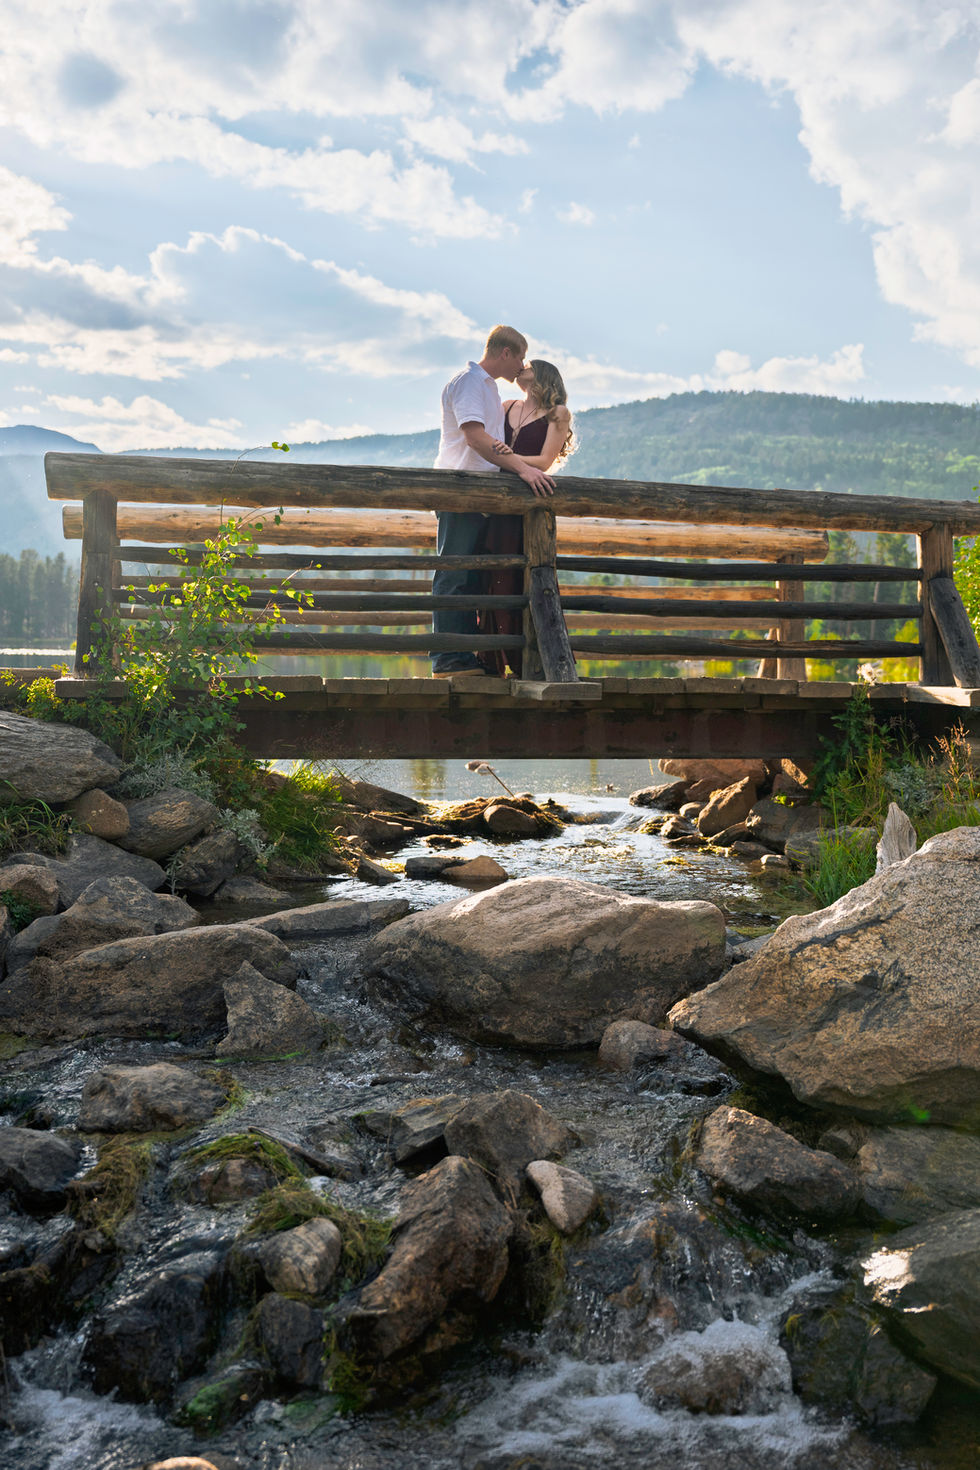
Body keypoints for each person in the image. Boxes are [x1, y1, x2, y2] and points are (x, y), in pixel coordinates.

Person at [431, 325, 555, 678]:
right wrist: (523, 469)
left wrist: (510, 460)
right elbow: (475, 437)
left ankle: (464, 657)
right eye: (520, 356)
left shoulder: (487, 389)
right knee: (453, 573)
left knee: (467, 576)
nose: (522, 365)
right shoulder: (470, 383)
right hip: (460, 490)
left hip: (476, 494)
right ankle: (448, 660)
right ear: (506, 353)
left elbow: (492, 442)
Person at [476, 358, 576, 676]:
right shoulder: (505, 406)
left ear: (543, 374)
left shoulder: (558, 413)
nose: (521, 368)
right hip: (496, 506)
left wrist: (506, 456)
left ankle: (526, 662)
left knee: (523, 576)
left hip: (528, 510)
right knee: (491, 576)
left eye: (528, 365)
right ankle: (490, 660)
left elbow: (545, 461)